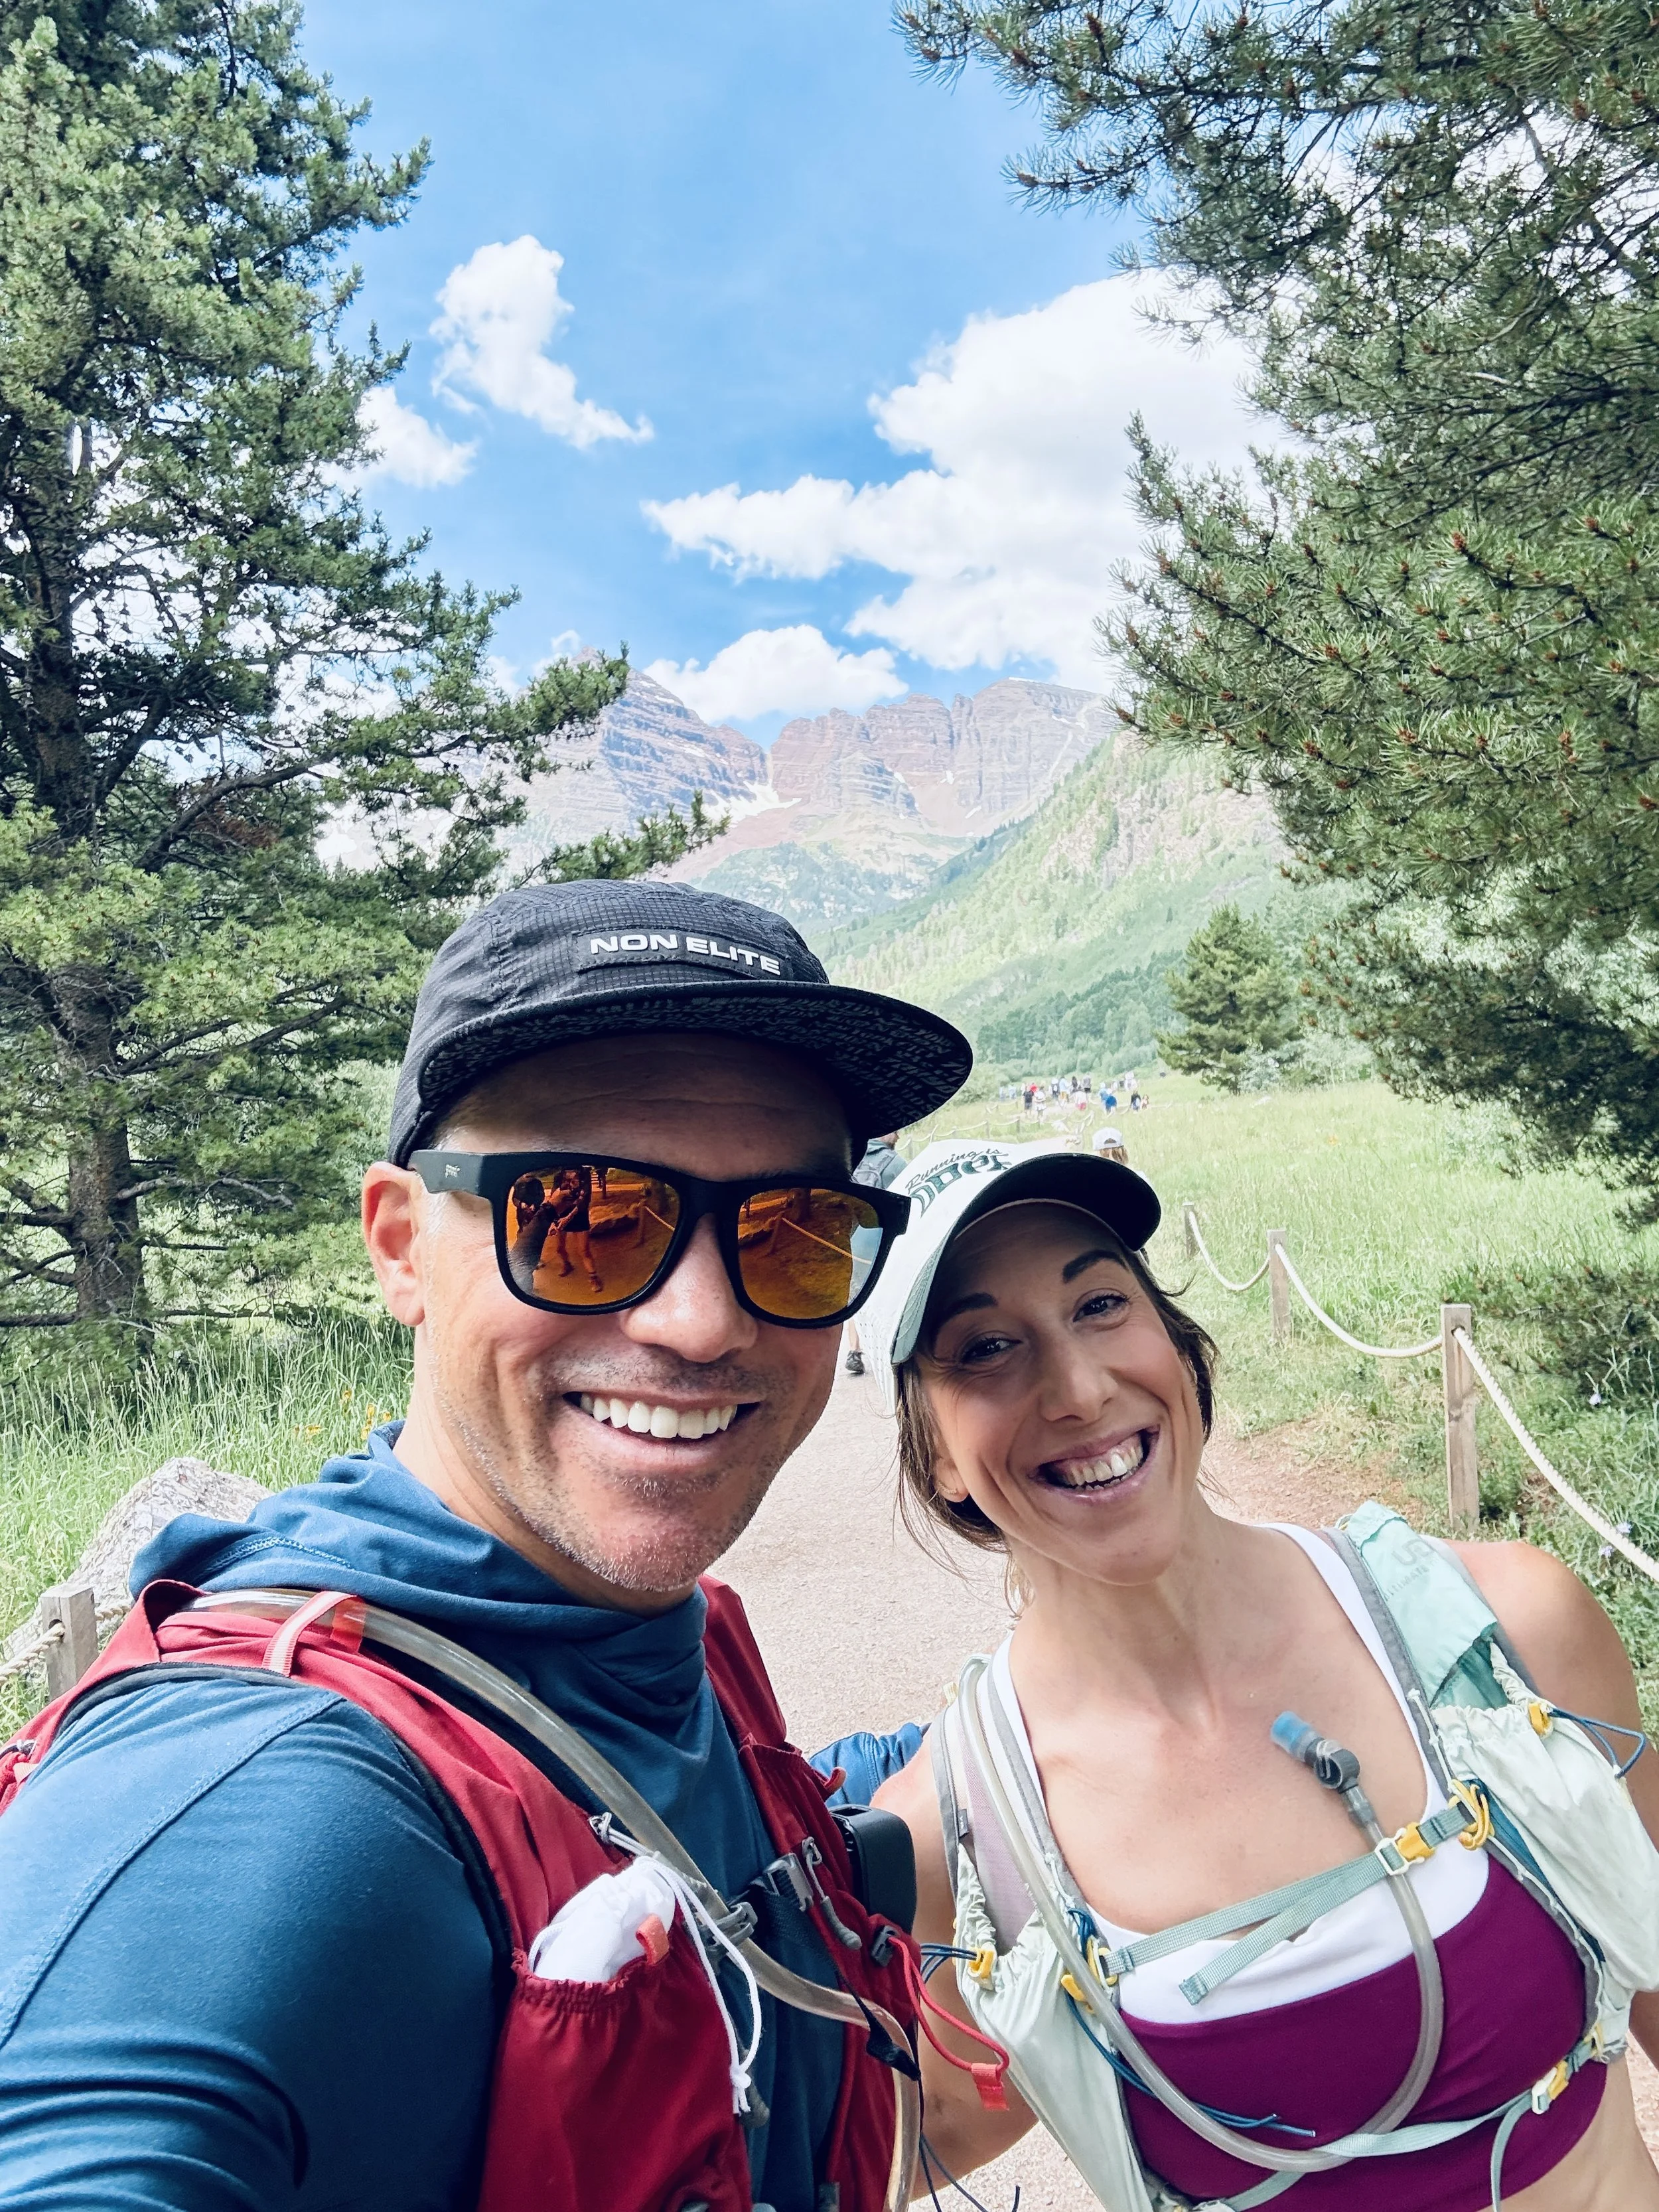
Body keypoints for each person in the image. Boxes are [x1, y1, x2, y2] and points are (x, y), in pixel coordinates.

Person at [0, 880, 974, 2212]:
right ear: (402, 1245)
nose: (698, 1321)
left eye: (791, 1232)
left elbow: (717, 1833)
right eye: (580, 1215)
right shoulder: (258, 1777)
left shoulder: (652, 1626)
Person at [857, 1138, 1659, 2211]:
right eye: (987, 1345)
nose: (1082, 1387)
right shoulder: (960, 1834)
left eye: (1099, 1303)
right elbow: (925, 2127)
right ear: (939, 1454)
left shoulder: (1504, 1635)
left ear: (1177, 1346)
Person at [845, 1134, 906, 1378]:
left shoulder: (850, 1160)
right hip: (881, 1243)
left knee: (856, 1293)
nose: (899, 1134)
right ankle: (894, 1351)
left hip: (849, 1240)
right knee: (889, 1296)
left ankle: (854, 1351)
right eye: (894, 1130)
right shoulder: (894, 1163)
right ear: (885, 1135)